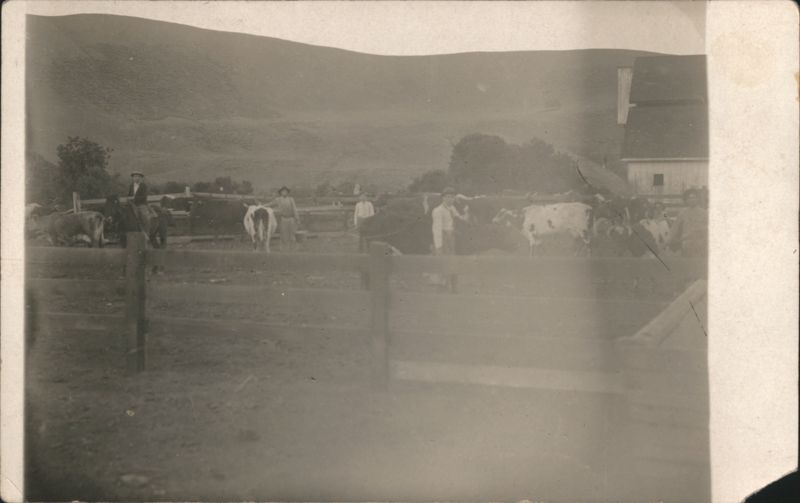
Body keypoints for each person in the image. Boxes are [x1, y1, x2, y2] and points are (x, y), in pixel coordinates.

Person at [431, 187, 469, 290]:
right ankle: (441, 286)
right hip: (443, 238)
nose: (450, 199)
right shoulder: (438, 211)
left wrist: (467, 212)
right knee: (442, 261)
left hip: (451, 237)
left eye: (452, 197)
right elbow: (437, 230)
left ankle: (453, 286)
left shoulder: (452, 208)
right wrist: (439, 246)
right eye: (447, 197)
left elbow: (460, 218)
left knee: (452, 261)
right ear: (442, 198)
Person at [668, 189, 708, 257]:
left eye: (694, 197)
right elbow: (675, 227)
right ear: (686, 200)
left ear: (698, 199)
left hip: (700, 242)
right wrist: (670, 238)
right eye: (689, 198)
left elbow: (708, 227)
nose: (692, 200)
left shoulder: (704, 213)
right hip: (686, 241)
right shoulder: (682, 212)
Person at [270, 186, 300, 251]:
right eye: (283, 191)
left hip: (291, 219)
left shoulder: (291, 199)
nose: (284, 192)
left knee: (292, 233)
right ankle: (284, 248)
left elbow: (294, 209)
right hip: (283, 219)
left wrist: (297, 218)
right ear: (280, 193)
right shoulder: (278, 200)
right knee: (284, 234)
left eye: (286, 191)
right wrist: (261, 205)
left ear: (287, 192)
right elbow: (271, 204)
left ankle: (293, 248)